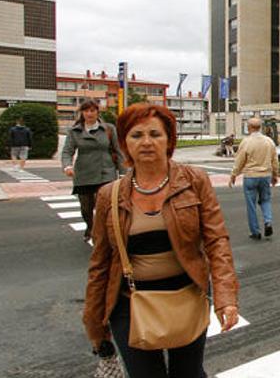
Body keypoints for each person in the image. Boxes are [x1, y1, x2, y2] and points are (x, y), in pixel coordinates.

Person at [83, 103, 239, 377]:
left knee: (187, 373)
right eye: (136, 135)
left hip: (187, 297)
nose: (146, 142)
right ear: (124, 143)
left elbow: (217, 241)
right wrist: (94, 321)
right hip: (129, 303)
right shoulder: (109, 194)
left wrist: (226, 298)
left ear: (169, 140)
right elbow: (100, 263)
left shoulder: (194, 180)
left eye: (155, 134)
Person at [62, 99, 125, 243]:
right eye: (86, 111)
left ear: (97, 112)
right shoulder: (74, 131)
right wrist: (67, 166)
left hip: (106, 173)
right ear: (82, 113)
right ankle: (90, 227)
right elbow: (67, 151)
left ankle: (102, 234)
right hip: (84, 174)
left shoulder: (108, 129)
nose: (89, 114)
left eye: (92, 110)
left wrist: (122, 172)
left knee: (105, 206)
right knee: (86, 208)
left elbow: (119, 151)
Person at [229, 118, 278, 240]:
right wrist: (275, 175)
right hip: (265, 176)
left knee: (251, 205)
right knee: (265, 200)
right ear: (260, 127)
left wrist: (234, 175)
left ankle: (255, 232)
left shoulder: (246, 142)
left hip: (250, 176)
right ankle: (268, 221)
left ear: (249, 127)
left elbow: (239, 160)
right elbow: (275, 160)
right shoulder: (269, 141)